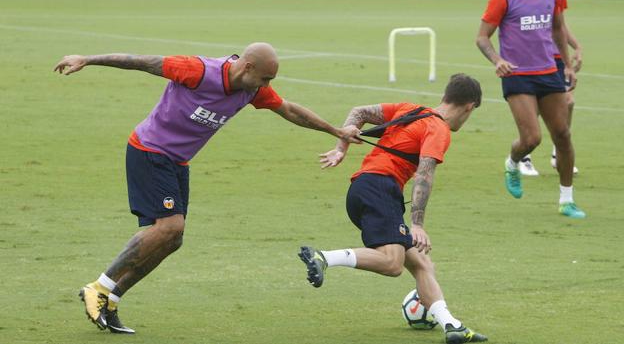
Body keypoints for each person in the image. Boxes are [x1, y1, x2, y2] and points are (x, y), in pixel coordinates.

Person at [54, 42, 361, 334]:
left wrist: (335, 130)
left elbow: (290, 110)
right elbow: (141, 62)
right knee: (169, 227)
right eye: (265, 78)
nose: (267, 86)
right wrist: (88, 59)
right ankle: (98, 287)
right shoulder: (197, 70)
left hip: (177, 162)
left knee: (171, 240)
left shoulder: (252, 90)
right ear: (248, 66)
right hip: (149, 151)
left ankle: (112, 299)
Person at [299, 74, 488, 344]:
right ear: (469, 107)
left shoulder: (411, 110)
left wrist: (341, 147)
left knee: (422, 264)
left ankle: (452, 326)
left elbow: (359, 112)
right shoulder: (438, 129)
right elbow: (425, 174)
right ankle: (324, 257)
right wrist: (418, 224)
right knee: (392, 263)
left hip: (363, 189)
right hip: (380, 189)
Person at [475, 0, 586, 218]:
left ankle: (566, 200)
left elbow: (558, 29)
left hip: (549, 72)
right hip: (518, 75)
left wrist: (567, 66)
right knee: (532, 139)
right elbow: (482, 37)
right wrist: (497, 60)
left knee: (563, 135)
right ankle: (513, 162)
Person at [520, 0, 583, 176]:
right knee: (534, 108)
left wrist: (576, 47)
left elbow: (560, 24)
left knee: (569, 102)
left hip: (557, 56)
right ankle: (524, 157)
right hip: (535, 57)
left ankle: (559, 153)